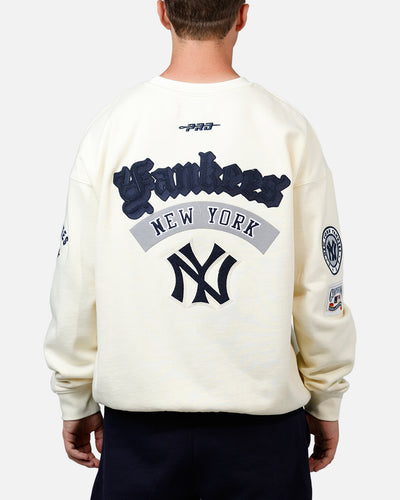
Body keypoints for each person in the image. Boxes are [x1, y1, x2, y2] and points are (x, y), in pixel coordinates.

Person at [43, 1, 357, 498]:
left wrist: (74, 395)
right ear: (243, 15)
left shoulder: (112, 128)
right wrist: (327, 397)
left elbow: (76, 282)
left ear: (163, 12)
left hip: (140, 434)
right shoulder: (288, 129)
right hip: (264, 437)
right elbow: (320, 282)